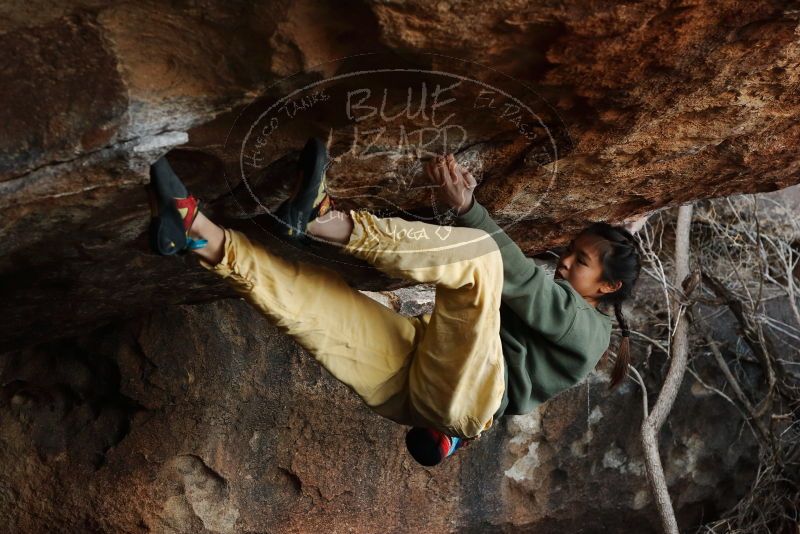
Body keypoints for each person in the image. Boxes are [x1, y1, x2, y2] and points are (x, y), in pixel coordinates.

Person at [146, 138, 641, 467]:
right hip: (415, 378)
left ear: (606, 289)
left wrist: (469, 210)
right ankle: (198, 232)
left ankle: (319, 218)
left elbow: (521, 284)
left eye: (582, 262)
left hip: (468, 397)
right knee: (320, 300)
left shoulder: (590, 333)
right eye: (571, 252)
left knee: (482, 259)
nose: (564, 262)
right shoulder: (561, 297)